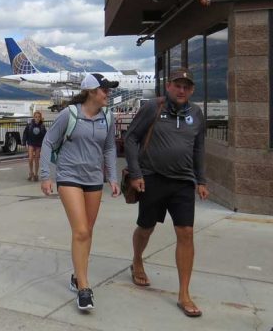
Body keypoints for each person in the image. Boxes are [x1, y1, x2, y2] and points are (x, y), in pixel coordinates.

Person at [124, 68, 209, 318]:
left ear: (192, 89)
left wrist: (201, 180)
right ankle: (137, 259)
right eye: (177, 85)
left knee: (186, 232)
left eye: (186, 86)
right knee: (146, 227)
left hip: (183, 182)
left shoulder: (196, 113)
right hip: (152, 179)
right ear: (168, 86)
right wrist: (137, 174)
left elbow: (199, 149)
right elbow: (130, 138)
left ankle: (184, 293)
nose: (181, 90)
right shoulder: (153, 108)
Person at [40, 73, 121, 312]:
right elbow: (48, 142)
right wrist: (46, 175)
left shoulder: (108, 116)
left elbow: (109, 147)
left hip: (94, 178)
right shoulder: (70, 114)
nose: (108, 93)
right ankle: (84, 287)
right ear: (91, 92)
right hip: (69, 177)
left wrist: (113, 177)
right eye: (105, 90)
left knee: (88, 232)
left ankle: (78, 275)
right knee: (81, 230)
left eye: (109, 90)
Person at [23, 111, 47, 181]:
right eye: (36, 117)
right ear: (34, 117)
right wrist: (24, 143)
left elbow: (45, 136)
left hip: (38, 144)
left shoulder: (42, 126)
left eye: (39, 117)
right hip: (31, 143)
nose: (37, 118)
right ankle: (31, 172)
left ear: (40, 118)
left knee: (36, 159)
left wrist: (46, 144)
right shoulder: (30, 125)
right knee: (30, 158)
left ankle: (36, 174)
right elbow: (25, 134)